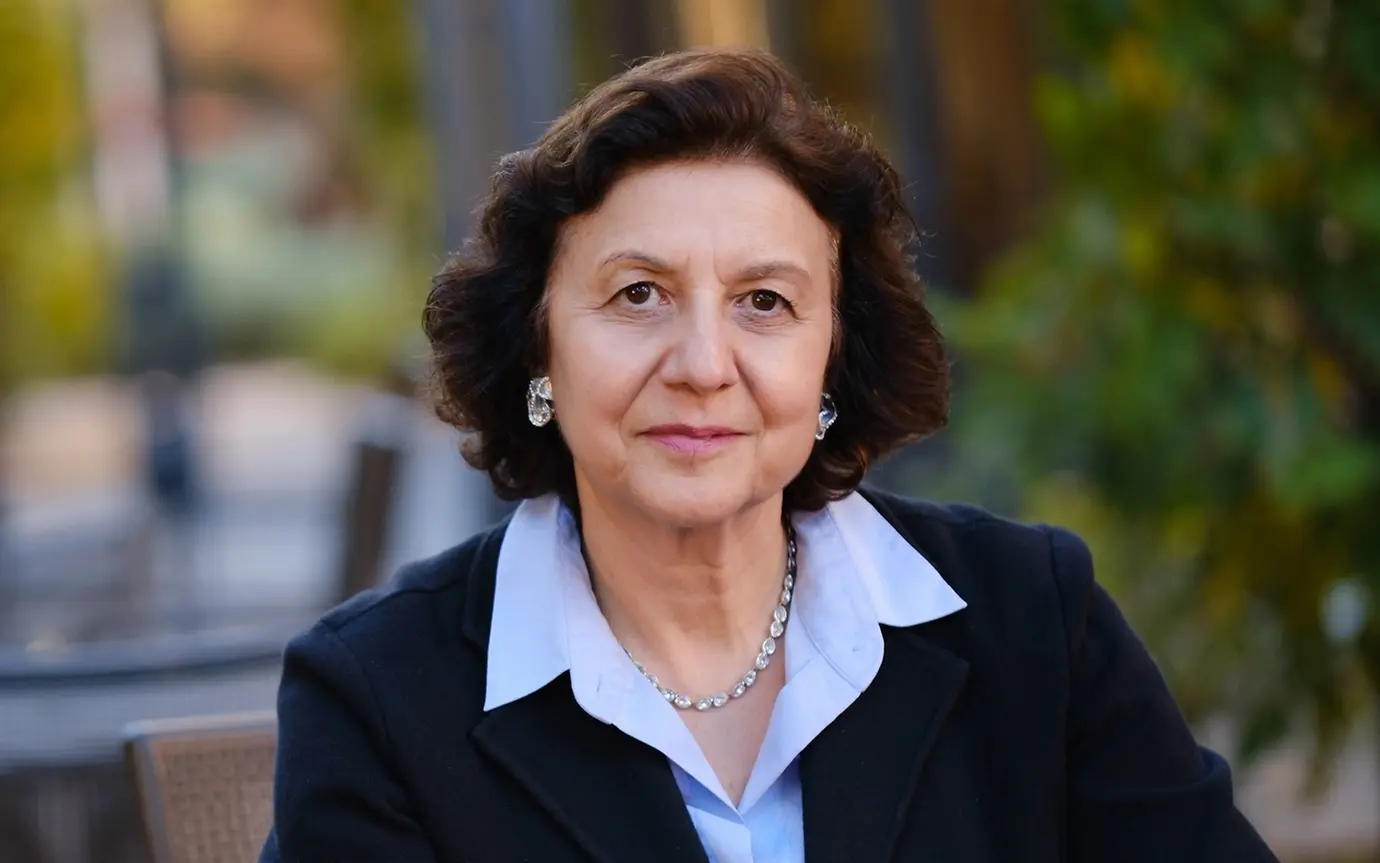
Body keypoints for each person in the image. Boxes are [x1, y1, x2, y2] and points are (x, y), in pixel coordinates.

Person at [260, 48, 1277, 862]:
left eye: (765, 302)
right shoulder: (380, 700)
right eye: (637, 294)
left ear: (832, 361)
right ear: (539, 348)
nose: (704, 364)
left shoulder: (1034, 621)